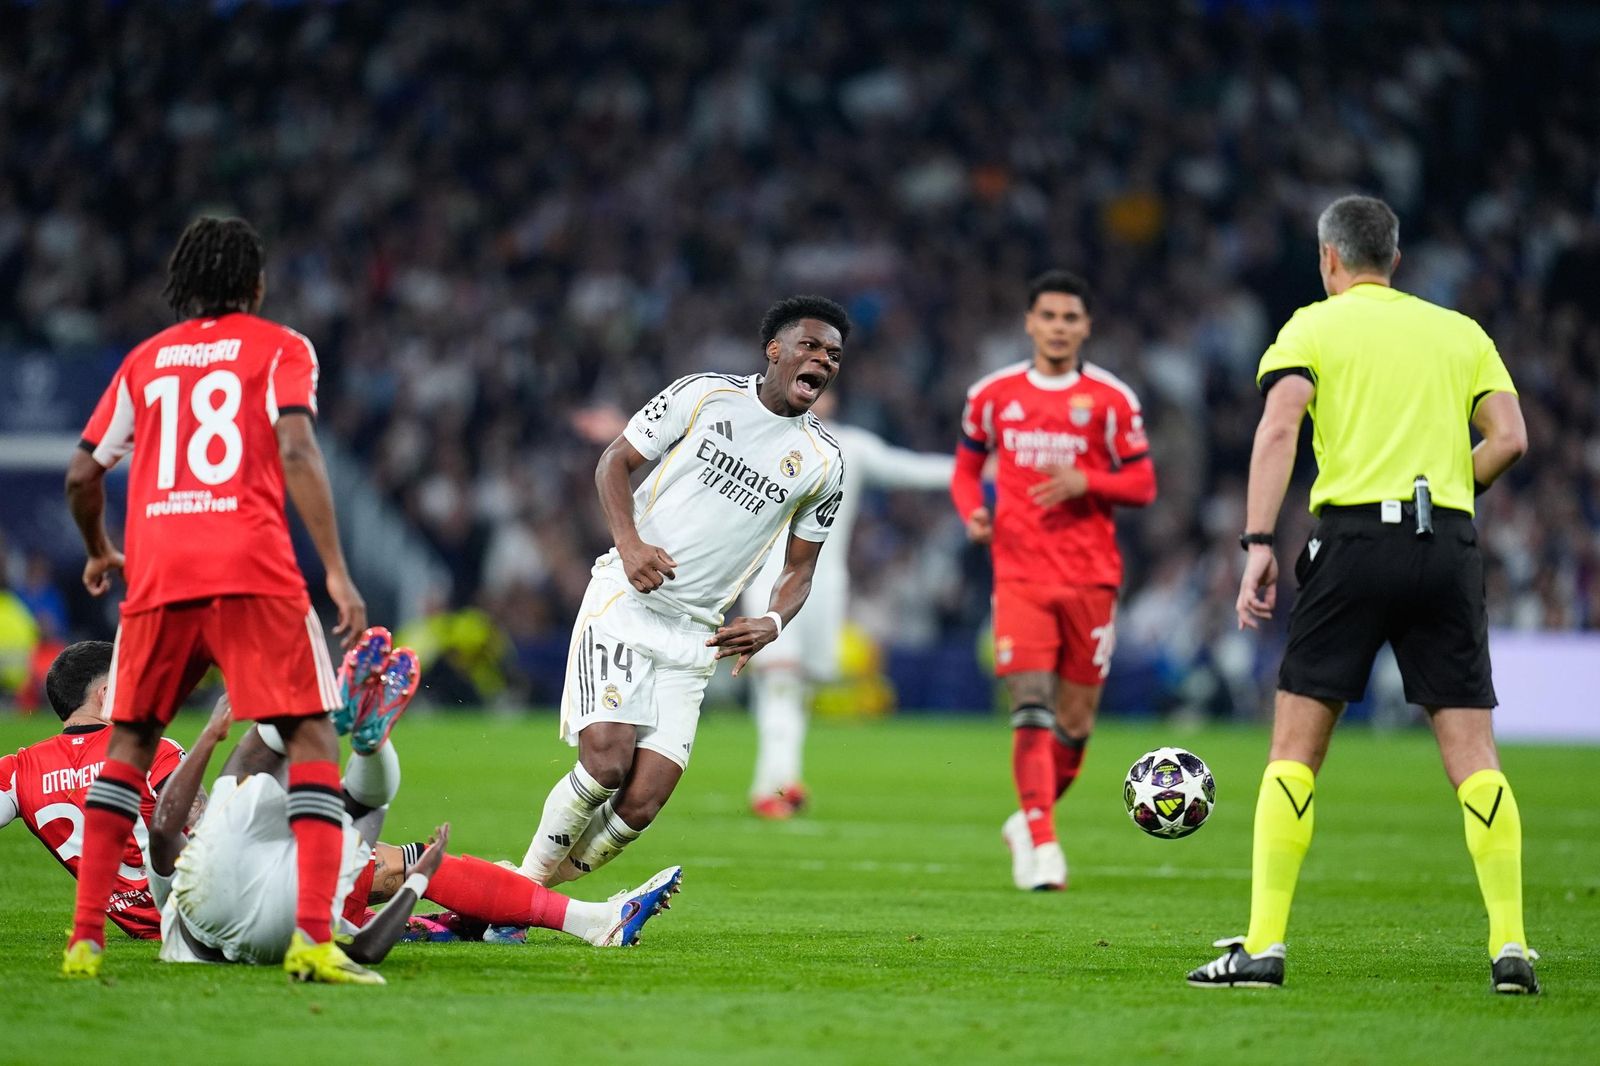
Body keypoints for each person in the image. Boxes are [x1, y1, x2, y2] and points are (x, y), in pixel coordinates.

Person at [1185, 194, 1537, 994]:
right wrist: (1449, 488)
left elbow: (1279, 428)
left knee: (1295, 752)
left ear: (1329, 259)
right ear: (1398, 261)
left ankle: (1265, 948)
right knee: (1475, 758)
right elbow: (1511, 437)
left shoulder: (1313, 325)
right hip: (1446, 542)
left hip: (1351, 544)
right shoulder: (1460, 332)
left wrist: (1256, 544)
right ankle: (1510, 948)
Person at [62, 216, 371, 983]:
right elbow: (297, 448)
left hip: (160, 576)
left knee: (127, 748)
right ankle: (310, 941)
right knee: (310, 742)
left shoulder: (143, 362)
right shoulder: (281, 349)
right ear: (256, 285)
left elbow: (80, 475)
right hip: (252, 571)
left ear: (183, 285)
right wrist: (335, 569)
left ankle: (85, 942)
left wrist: (101, 550)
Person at [519, 295, 850, 886]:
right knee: (605, 765)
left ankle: (523, 894)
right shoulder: (704, 394)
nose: (822, 361)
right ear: (775, 350)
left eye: (833, 356)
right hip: (626, 601)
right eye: (811, 346)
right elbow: (614, 462)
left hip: (697, 634)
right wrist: (630, 544)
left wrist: (772, 623)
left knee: (642, 803)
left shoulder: (825, 461)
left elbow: (800, 568)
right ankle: (518, 895)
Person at [145, 648, 681, 973]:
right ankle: (354, 733)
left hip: (245, 928)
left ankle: (338, 725)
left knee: (354, 824)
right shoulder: (206, 844)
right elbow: (168, 828)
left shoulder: (180, 874)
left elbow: (364, 953)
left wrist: (413, 892)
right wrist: (211, 739)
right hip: (278, 903)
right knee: (368, 829)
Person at [951, 270, 1157, 891]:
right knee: (1030, 706)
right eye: (1049, 316)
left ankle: (1029, 818)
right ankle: (1044, 843)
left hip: (1091, 578)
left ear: (1086, 326)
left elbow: (1143, 485)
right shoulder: (992, 394)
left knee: (1076, 723)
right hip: (1019, 575)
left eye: (1071, 317)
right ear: (1030, 322)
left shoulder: (1112, 399)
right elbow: (964, 473)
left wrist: (1087, 481)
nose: (1059, 327)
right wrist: (974, 514)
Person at [739, 389, 954, 818]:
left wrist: (979, 468)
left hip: (823, 587)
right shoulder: (757, 441)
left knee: (798, 687)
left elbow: (908, 469)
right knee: (780, 682)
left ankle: (781, 781)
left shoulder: (851, 447)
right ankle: (774, 788)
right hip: (767, 580)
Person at [0, 641, 189, 939]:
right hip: (208, 911)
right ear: (105, 695)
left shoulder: (19, 770)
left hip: (149, 928)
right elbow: (201, 822)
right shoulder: (149, 749)